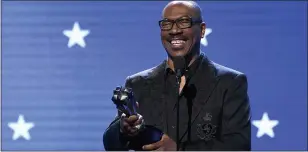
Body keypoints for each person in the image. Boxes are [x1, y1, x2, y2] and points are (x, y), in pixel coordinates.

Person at [103, 1, 251, 151]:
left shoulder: (229, 82)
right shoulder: (138, 83)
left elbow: (238, 146)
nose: (174, 31)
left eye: (184, 22)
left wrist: (179, 149)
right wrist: (123, 130)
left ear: (202, 30)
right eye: (167, 24)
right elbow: (112, 144)